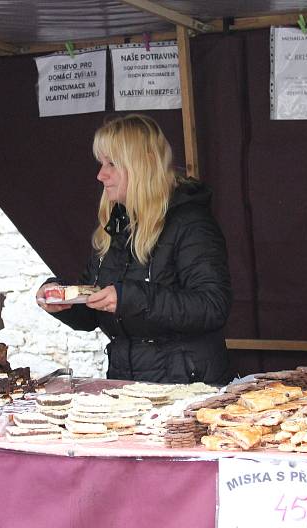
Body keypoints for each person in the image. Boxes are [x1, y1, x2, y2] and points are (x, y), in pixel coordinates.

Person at [37, 114, 232, 384]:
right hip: (128, 385)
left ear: (142, 165)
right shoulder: (116, 225)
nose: (100, 174)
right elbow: (94, 308)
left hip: (189, 387)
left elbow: (212, 306)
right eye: (101, 163)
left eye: (112, 164)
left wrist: (131, 298)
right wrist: (62, 301)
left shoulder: (190, 223)